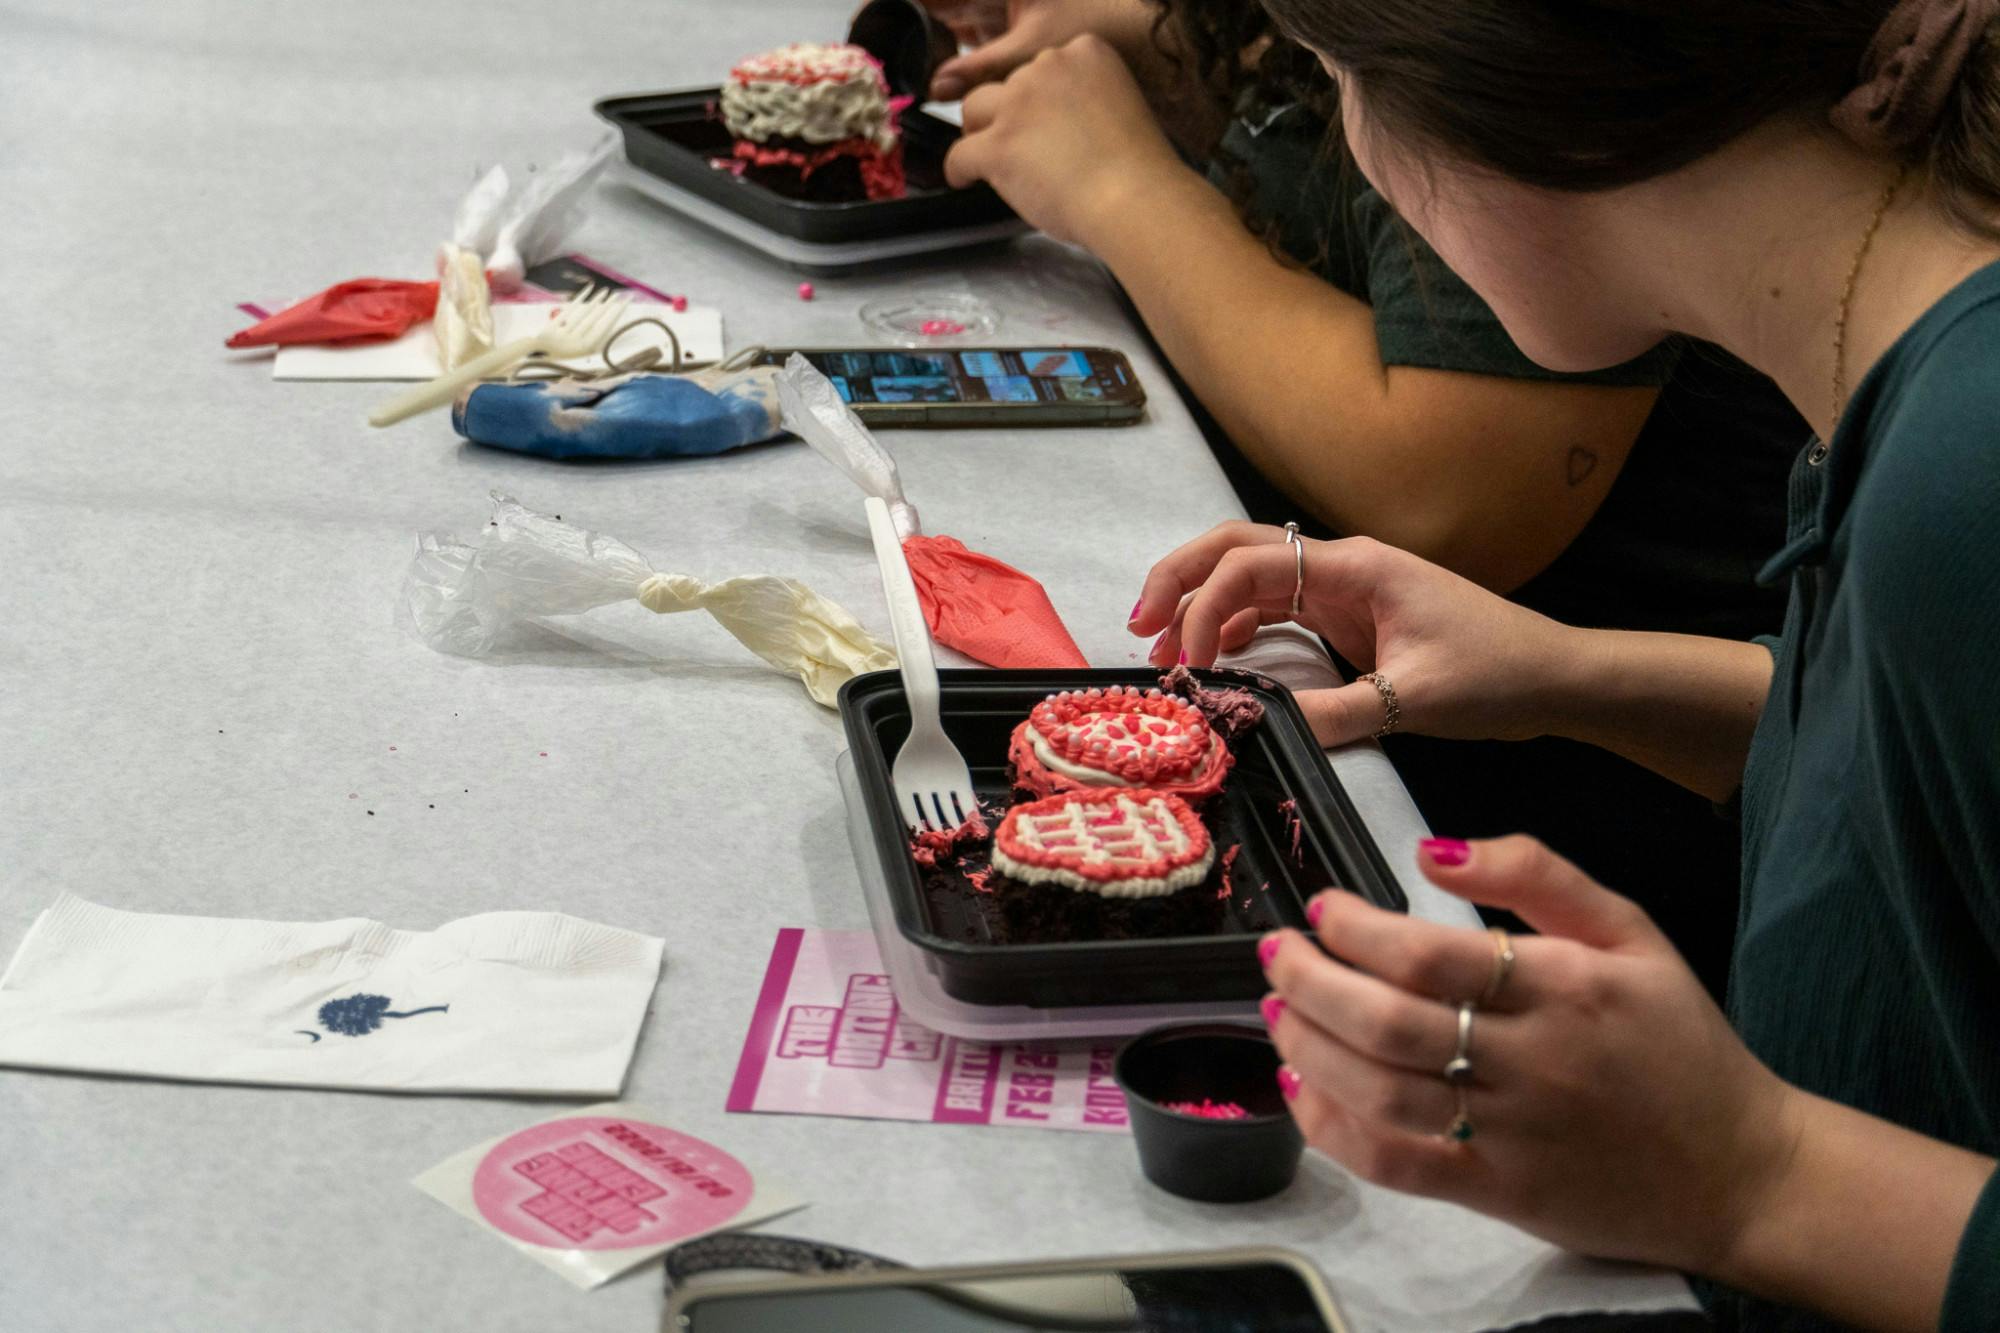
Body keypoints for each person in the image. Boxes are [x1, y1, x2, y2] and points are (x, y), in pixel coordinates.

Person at [1107, 1, 2000, 1328]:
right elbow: (1918, 762)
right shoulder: (1910, 382)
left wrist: (1755, 1172)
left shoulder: (1966, 480)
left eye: (1340, 80)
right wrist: (1565, 671)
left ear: (1501, 90)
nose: (1363, 162)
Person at [932, 0, 1806, 1000]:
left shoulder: (1918, 445)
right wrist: (1194, 69)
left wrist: (1121, 186)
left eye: (1346, 76)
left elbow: (1458, 485)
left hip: (1614, 839)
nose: (1358, 134)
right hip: (1575, 736)